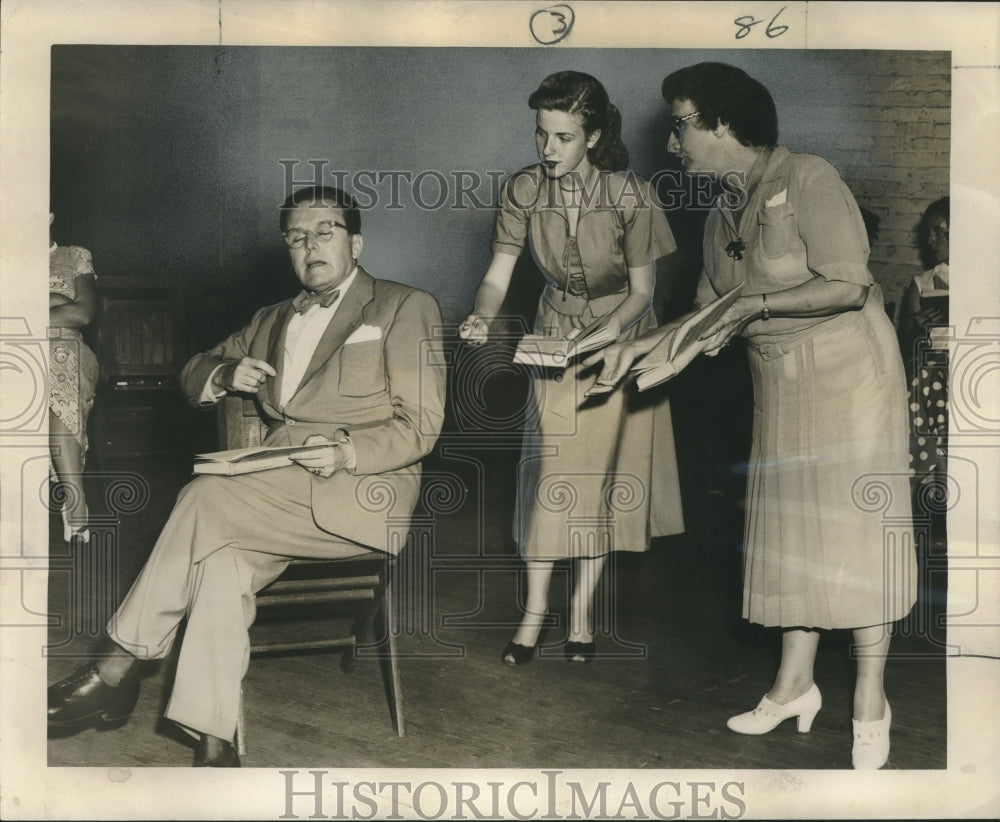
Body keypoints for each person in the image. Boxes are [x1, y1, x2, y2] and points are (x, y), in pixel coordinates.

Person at [47, 186, 447, 766]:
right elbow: (192, 371)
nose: (310, 245)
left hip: (359, 493)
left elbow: (422, 426)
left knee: (205, 497)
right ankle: (215, 742)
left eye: (325, 231)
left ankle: (115, 667)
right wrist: (226, 372)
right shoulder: (271, 320)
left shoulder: (404, 306)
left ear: (356, 242)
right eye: (296, 236)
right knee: (218, 562)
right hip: (269, 494)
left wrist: (342, 451)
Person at [587, 63, 915, 769]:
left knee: (853, 534)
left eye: (681, 124)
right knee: (792, 531)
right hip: (781, 383)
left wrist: (751, 304)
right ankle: (795, 685)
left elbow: (850, 284)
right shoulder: (719, 212)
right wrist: (628, 347)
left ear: (724, 124)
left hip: (851, 378)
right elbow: (706, 315)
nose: (672, 143)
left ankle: (870, 695)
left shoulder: (810, 178)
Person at [460, 70, 683, 665]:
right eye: (541, 135)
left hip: (617, 341)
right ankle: (534, 612)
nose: (548, 149)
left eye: (563, 137)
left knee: (597, 486)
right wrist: (482, 315)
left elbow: (641, 293)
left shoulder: (630, 195)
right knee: (547, 482)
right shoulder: (523, 190)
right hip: (553, 333)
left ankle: (582, 614)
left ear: (594, 136)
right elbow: (497, 275)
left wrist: (605, 338)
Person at [48, 212, 100, 543]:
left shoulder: (75, 256)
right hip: (15, 351)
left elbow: (82, 313)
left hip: (68, 351)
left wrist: (25, 308)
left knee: (58, 357)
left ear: (50, 216)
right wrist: (55, 301)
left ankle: (74, 495)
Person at [896, 197, 949, 496]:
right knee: (927, 377)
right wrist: (916, 327)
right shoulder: (923, 283)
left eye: (937, 232)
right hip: (934, 373)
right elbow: (905, 347)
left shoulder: (987, 278)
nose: (929, 240)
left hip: (977, 365)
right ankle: (939, 483)